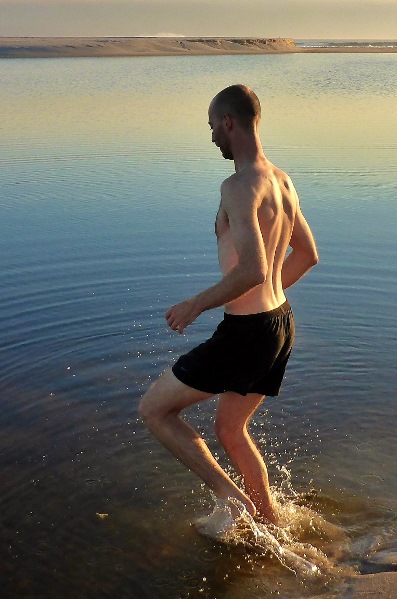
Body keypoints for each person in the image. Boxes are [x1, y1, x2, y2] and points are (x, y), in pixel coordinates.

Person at [138, 84, 319, 530]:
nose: (212, 137)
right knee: (230, 430)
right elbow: (307, 255)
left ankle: (232, 500)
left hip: (250, 331)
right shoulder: (282, 180)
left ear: (229, 122)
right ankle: (271, 520)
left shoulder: (239, 186)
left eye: (212, 127)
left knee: (154, 410)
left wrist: (194, 305)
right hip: (280, 323)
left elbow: (252, 270)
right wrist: (266, 306)